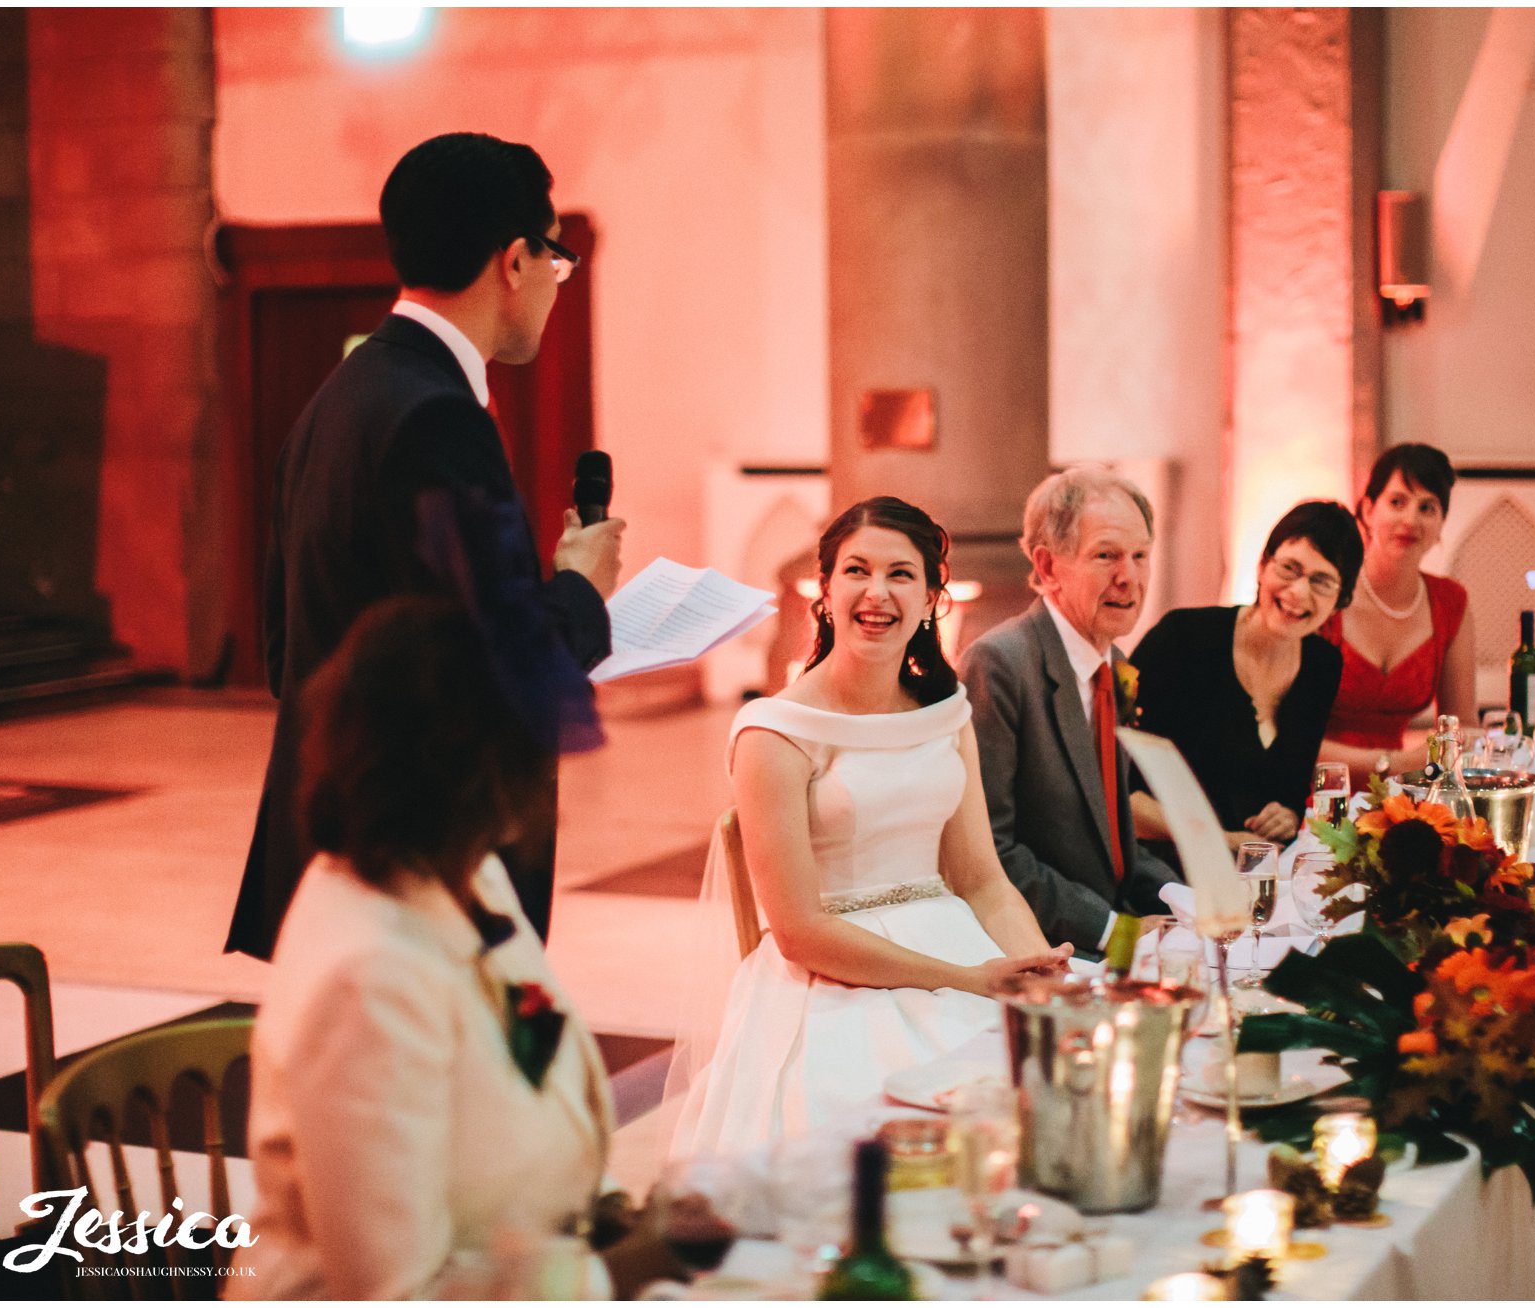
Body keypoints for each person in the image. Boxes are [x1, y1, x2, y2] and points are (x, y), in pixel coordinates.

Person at [227, 132, 624, 961]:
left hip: (341, 855)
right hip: (420, 874)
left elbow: (285, 654)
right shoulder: (435, 417)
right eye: (555, 260)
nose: (555, 285)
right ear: (515, 261)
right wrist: (581, 589)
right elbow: (496, 673)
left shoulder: (341, 397)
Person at [231, 597, 685, 1300]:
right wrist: (615, 1270)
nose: (548, 778)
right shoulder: (367, 975)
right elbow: (394, 1291)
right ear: (455, 766)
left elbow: (534, 1040)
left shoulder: (472, 873)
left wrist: (609, 1213)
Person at [664, 498, 1070, 1160]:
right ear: (824, 589)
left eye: (901, 575)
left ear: (933, 595)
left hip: (959, 947)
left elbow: (980, 880)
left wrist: (1037, 976)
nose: (876, 593)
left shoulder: (945, 713)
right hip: (833, 980)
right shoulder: (776, 732)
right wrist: (964, 980)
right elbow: (798, 932)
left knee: (1057, 1084)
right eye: (857, 570)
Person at [961, 466, 1189, 956]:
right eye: (1106, 556)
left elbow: (1114, 839)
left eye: (1140, 556)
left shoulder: (1119, 668)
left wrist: (1184, 901)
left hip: (1114, 928)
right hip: (1041, 948)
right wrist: (1118, 934)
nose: (1128, 578)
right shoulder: (1000, 663)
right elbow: (990, 854)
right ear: (1046, 567)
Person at [1129, 501, 1362, 851]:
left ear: (1341, 600)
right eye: (1289, 568)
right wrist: (1222, 841)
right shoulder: (1181, 639)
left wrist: (1286, 814)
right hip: (1163, 865)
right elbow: (1120, 791)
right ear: (1262, 566)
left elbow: (1292, 792)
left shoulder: (1322, 666)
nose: (1298, 592)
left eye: (1321, 581)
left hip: (1258, 870)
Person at [1317, 443, 1477, 778]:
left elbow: (1461, 732)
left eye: (1427, 507)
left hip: (1397, 793)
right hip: (1315, 788)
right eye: (1397, 502)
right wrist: (1395, 762)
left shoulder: (1449, 602)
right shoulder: (1327, 590)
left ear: (1441, 524)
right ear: (1367, 509)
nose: (1410, 520)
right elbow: (1291, 737)